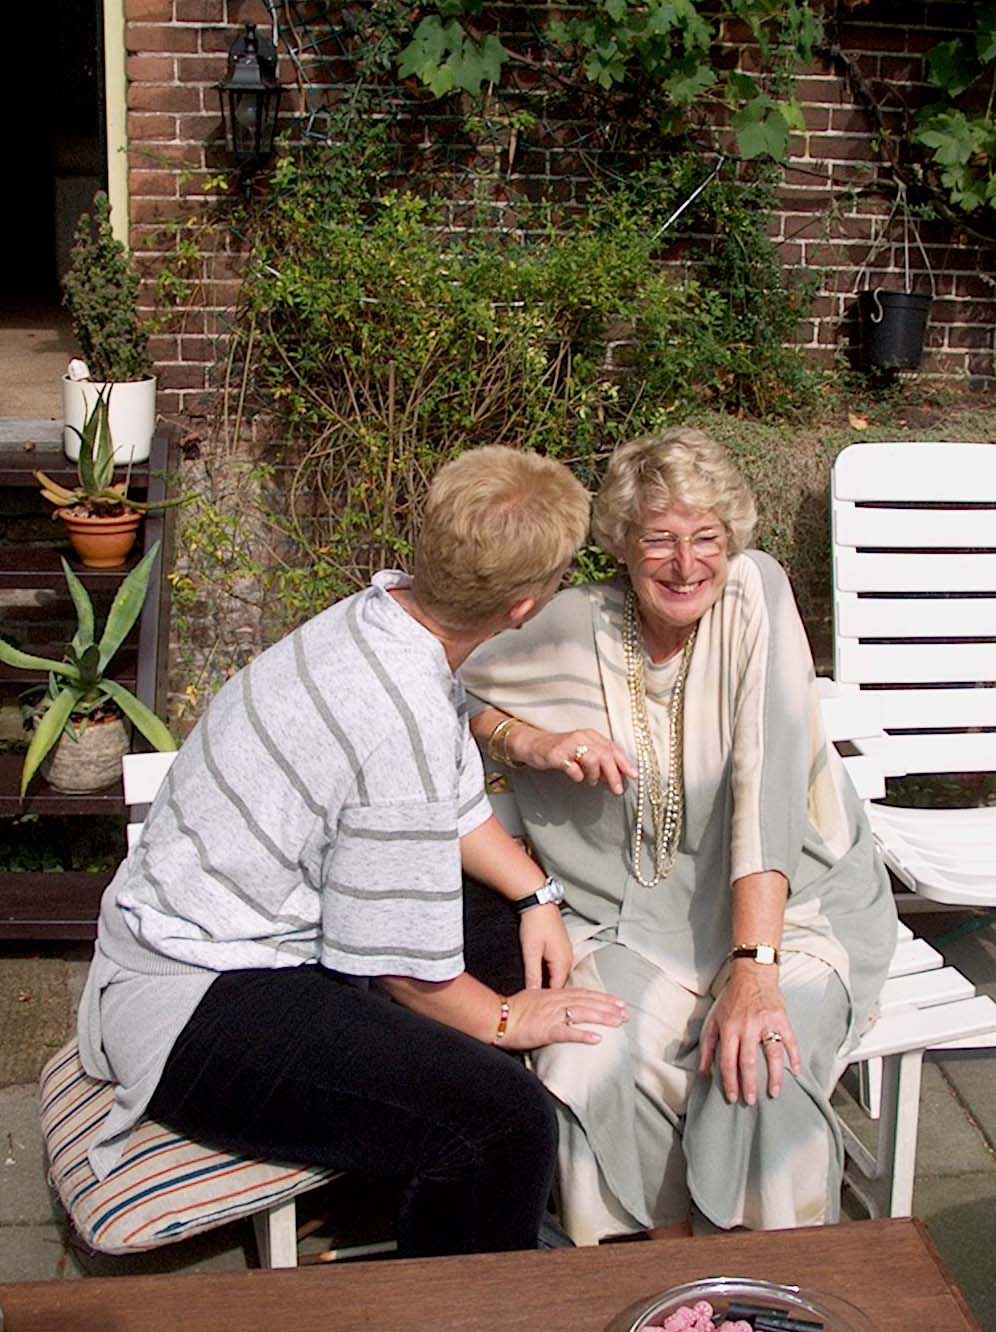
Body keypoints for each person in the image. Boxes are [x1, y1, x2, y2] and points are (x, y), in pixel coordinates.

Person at [76, 444, 629, 1260]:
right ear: (523, 607)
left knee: (514, 955)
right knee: (503, 1124)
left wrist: (533, 895)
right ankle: (457, 1299)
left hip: (263, 939)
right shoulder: (395, 712)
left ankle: (411, 1202)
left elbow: (446, 805)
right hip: (192, 1001)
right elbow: (407, 971)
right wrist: (506, 1020)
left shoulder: (383, 617)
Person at [463, 428, 897, 1243]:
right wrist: (527, 740)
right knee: (587, 1054)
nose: (686, 563)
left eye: (707, 538)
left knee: (759, 1064)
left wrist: (755, 971)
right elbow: (451, 678)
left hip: (795, 917)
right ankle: (651, 1277)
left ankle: (765, 1280)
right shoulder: (576, 625)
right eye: (660, 538)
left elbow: (766, 787)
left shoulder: (754, 594)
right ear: (623, 543)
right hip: (630, 922)